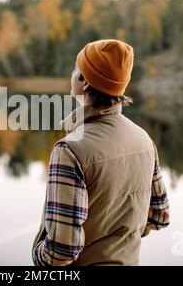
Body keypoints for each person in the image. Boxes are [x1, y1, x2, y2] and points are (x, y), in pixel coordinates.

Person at [32, 39, 170, 266]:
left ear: (84, 81)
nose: (72, 73)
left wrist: (37, 255)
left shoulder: (69, 151)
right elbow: (159, 215)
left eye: (76, 68)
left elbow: (61, 253)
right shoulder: (144, 139)